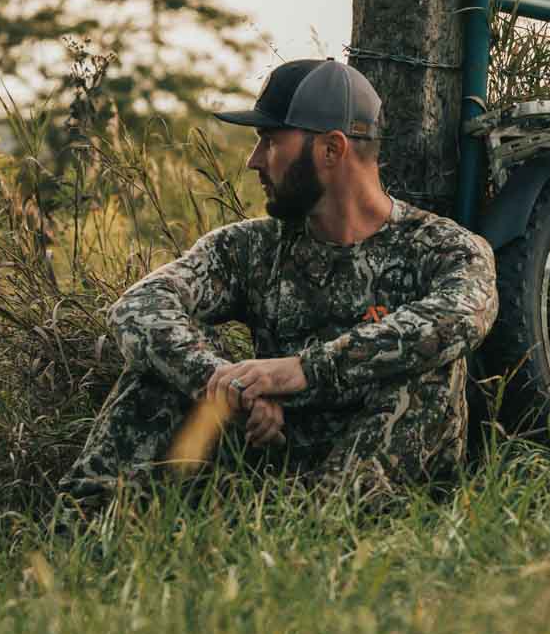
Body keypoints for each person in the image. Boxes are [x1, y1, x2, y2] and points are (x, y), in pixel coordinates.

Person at [59, 58, 496, 502]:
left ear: (331, 149)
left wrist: (303, 371)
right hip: (270, 466)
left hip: (379, 480)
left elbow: (463, 316)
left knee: (428, 369)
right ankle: (86, 531)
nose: (253, 161)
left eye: (269, 142)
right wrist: (230, 384)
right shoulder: (252, 247)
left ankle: (334, 529)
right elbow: (137, 306)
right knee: (154, 373)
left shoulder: (443, 247)